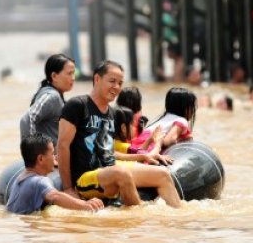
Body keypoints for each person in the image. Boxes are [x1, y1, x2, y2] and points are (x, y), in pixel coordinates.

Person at [57, 60, 180, 207]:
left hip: (111, 168)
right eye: (112, 81)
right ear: (97, 79)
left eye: (120, 83)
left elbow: (109, 152)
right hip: (85, 177)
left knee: (163, 174)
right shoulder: (78, 105)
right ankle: (140, 217)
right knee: (121, 173)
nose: (116, 87)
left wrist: (142, 156)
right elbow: (63, 145)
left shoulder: (111, 113)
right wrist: (68, 188)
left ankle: (180, 219)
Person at [6, 133, 104, 214]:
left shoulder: (20, 179)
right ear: (40, 159)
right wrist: (85, 205)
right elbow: (54, 196)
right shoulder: (40, 181)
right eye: (52, 154)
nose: (55, 157)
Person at [19, 54, 76, 149]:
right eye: (69, 73)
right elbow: (27, 119)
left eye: (74, 73)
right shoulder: (52, 96)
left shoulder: (58, 97)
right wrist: (34, 152)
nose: (73, 78)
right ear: (54, 76)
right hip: (46, 161)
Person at [130, 87, 196, 152]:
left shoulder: (164, 118)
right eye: (192, 106)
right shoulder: (181, 120)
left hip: (137, 145)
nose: (193, 110)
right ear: (185, 108)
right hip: (149, 147)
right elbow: (167, 142)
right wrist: (183, 141)